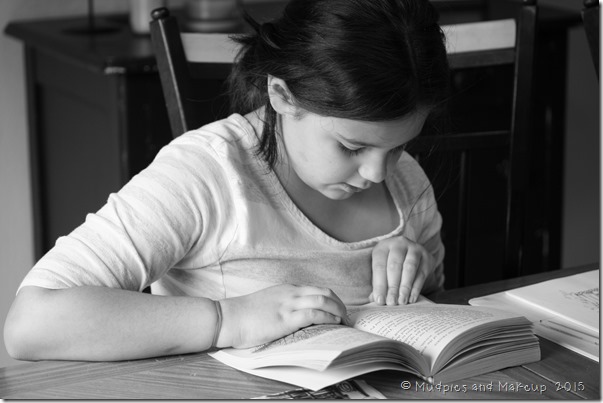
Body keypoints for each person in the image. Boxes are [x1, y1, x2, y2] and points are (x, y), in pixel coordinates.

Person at [4, 0, 450, 362]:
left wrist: (418, 271)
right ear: (281, 94)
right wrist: (225, 319)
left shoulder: (406, 182)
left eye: (397, 147)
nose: (377, 173)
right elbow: (32, 323)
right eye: (351, 147)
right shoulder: (207, 174)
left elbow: (437, 309)